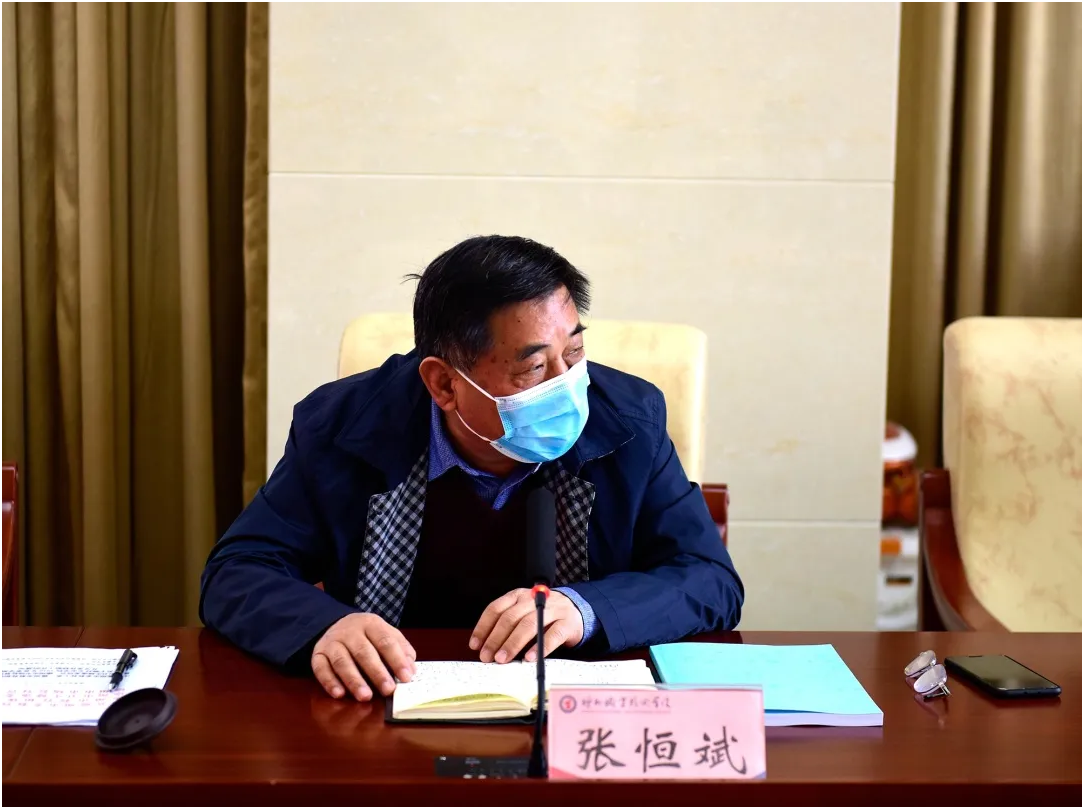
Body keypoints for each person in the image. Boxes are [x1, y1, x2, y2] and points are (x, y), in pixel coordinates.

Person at [200, 235, 743, 702]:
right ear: (443, 383)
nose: (567, 385)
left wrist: (586, 609)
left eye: (574, 354)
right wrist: (326, 624)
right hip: (392, 699)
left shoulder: (628, 420)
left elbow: (709, 578)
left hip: (573, 709)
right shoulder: (343, 426)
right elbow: (237, 570)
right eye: (534, 367)